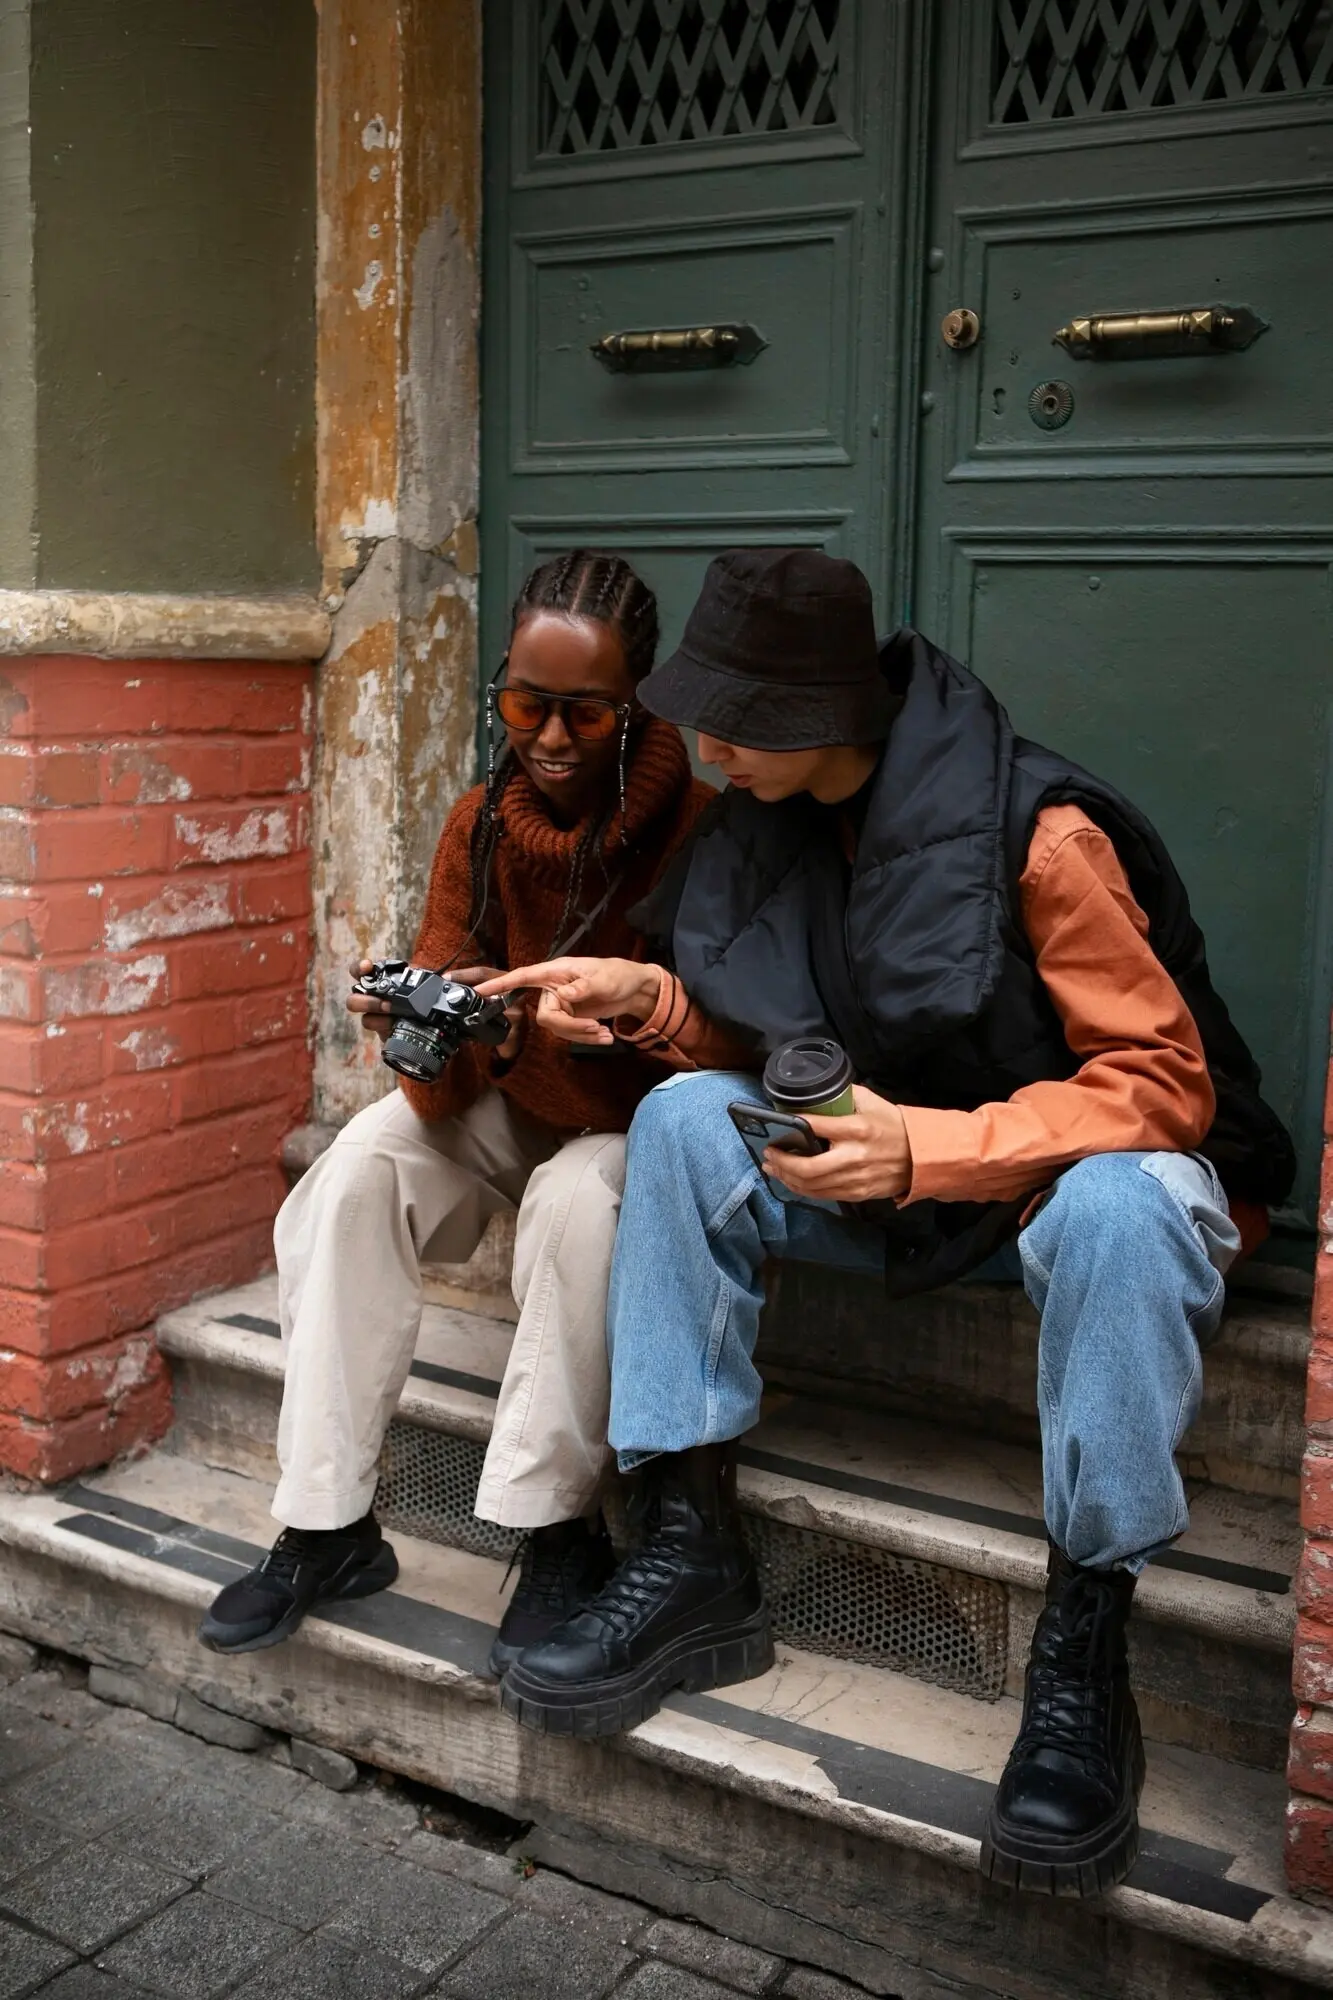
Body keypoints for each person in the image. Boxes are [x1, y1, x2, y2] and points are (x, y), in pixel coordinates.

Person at [476, 547, 1294, 1898]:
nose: (704, 739)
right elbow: (786, 1025)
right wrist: (651, 1004)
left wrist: (934, 1146)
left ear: (813, 715)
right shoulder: (771, 817)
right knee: (679, 1121)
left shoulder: (1039, 835)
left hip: (1069, 1184)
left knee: (1118, 1209)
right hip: (892, 1166)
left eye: (732, 714)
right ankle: (692, 1550)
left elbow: (1161, 1089)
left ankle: (1085, 1642)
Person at [198, 550, 713, 1673]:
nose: (552, 737)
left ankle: (555, 1525)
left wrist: (607, 1022)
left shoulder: (704, 828)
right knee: (356, 1172)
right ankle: (327, 1523)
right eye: (526, 704)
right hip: (519, 1092)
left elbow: (729, 1042)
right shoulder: (481, 823)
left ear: (638, 703)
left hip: (647, 1122)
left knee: (578, 1204)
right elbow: (430, 1085)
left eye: (585, 711)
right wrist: (429, 1023)